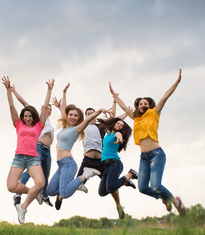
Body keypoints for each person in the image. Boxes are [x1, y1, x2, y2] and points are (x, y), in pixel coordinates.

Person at [109, 69, 186, 216]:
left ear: (149, 105)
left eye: (146, 103)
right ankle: (164, 198)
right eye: (140, 103)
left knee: (155, 185)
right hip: (144, 157)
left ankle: (176, 203)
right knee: (143, 188)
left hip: (156, 154)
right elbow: (124, 106)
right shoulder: (136, 118)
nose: (143, 104)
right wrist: (113, 94)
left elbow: (165, 96)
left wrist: (177, 82)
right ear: (138, 106)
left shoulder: (154, 113)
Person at [47, 83, 109, 210]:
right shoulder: (65, 126)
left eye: (76, 115)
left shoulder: (77, 129)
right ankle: (71, 185)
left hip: (68, 163)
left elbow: (87, 120)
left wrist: (98, 111)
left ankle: (86, 174)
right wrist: (64, 93)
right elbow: (64, 108)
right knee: (50, 191)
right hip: (60, 165)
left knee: (64, 193)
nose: (73, 117)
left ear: (79, 118)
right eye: (71, 115)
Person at [2, 76, 54, 224]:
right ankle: (33, 193)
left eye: (30, 116)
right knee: (11, 187)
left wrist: (49, 90)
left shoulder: (39, 126)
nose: (28, 118)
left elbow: (44, 108)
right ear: (23, 117)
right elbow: (12, 107)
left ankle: (23, 208)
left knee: (40, 183)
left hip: (33, 158)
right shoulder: (18, 124)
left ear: (34, 117)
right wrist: (8, 90)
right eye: (26, 116)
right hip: (19, 158)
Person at [75, 106, 138, 219]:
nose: (90, 115)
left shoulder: (102, 127)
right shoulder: (83, 125)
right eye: (88, 113)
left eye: (92, 113)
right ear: (86, 116)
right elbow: (115, 122)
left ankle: (119, 204)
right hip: (89, 159)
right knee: (98, 190)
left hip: (103, 161)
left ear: (96, 115)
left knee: (111, 187)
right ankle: (124, 181)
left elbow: (117, 122)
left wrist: (126, 113)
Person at [11, 84, 55, 207]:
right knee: (31, 171)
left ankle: (44, 195)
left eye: (51, 110)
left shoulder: (49, 122)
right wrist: (14, 91)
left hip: (48, 150)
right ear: (41, 110)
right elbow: (24, 102)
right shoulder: (37, 119)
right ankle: (18, 194)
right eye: (47, 109)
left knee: (45, 173)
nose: (48, 110)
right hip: (39, 147)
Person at [97, 117, 137, 213]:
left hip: (115, 163)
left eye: (121, 126)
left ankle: (131, 174)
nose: (119, 125)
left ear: (122, 129)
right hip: (107, 165)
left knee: (110, 188)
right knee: (102, 192)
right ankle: (125, 182)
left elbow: (119, 136)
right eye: (118, 123)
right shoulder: (109, 132)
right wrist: (115, 103)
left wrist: (119, 138)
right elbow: (113, 117)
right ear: (114, 123)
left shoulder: (117, 134)